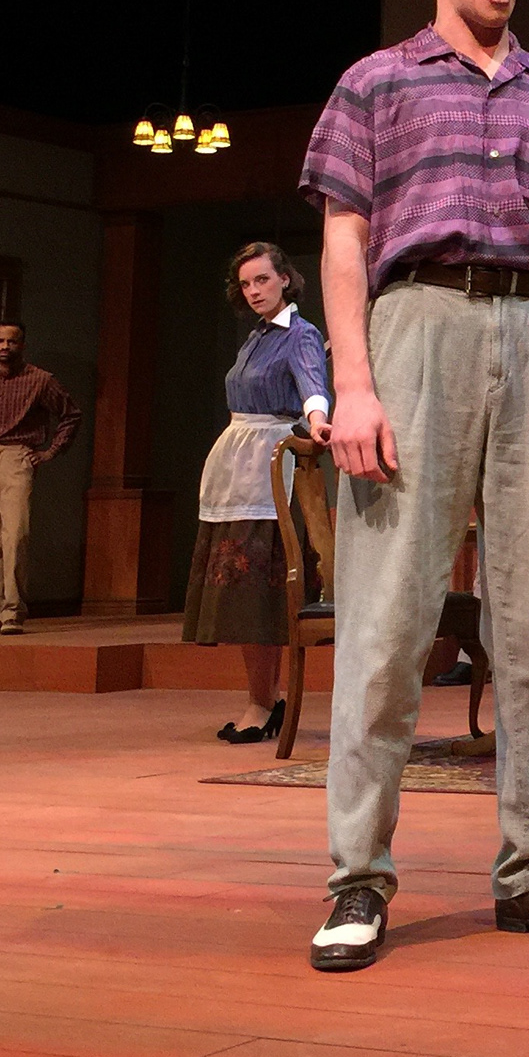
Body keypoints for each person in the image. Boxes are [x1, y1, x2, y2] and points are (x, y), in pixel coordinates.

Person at [298, 0, 529, 974]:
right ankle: (358, 877)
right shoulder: (375, 82)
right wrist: (354, 382)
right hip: (416, 330)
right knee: (388, 619)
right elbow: (344, 238)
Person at [180, 242, 333, 743]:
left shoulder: (300, 334)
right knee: (242, 595)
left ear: (285, 279)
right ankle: (263, 700)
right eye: (246, 283)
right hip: (237, 467)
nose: (253, 291)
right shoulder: (255, 337)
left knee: (261, 594)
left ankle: (262, 702)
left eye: (262, 280)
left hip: (270, 470)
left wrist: (318, 420)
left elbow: (313, 384)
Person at [0, 321, 82, 635]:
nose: (5, 347)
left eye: (11, 341)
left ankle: (12, 611)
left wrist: (51, 451)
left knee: (15, 535)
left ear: (22, 345)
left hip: (17, 454)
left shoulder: (40, 380)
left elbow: (71, 414)